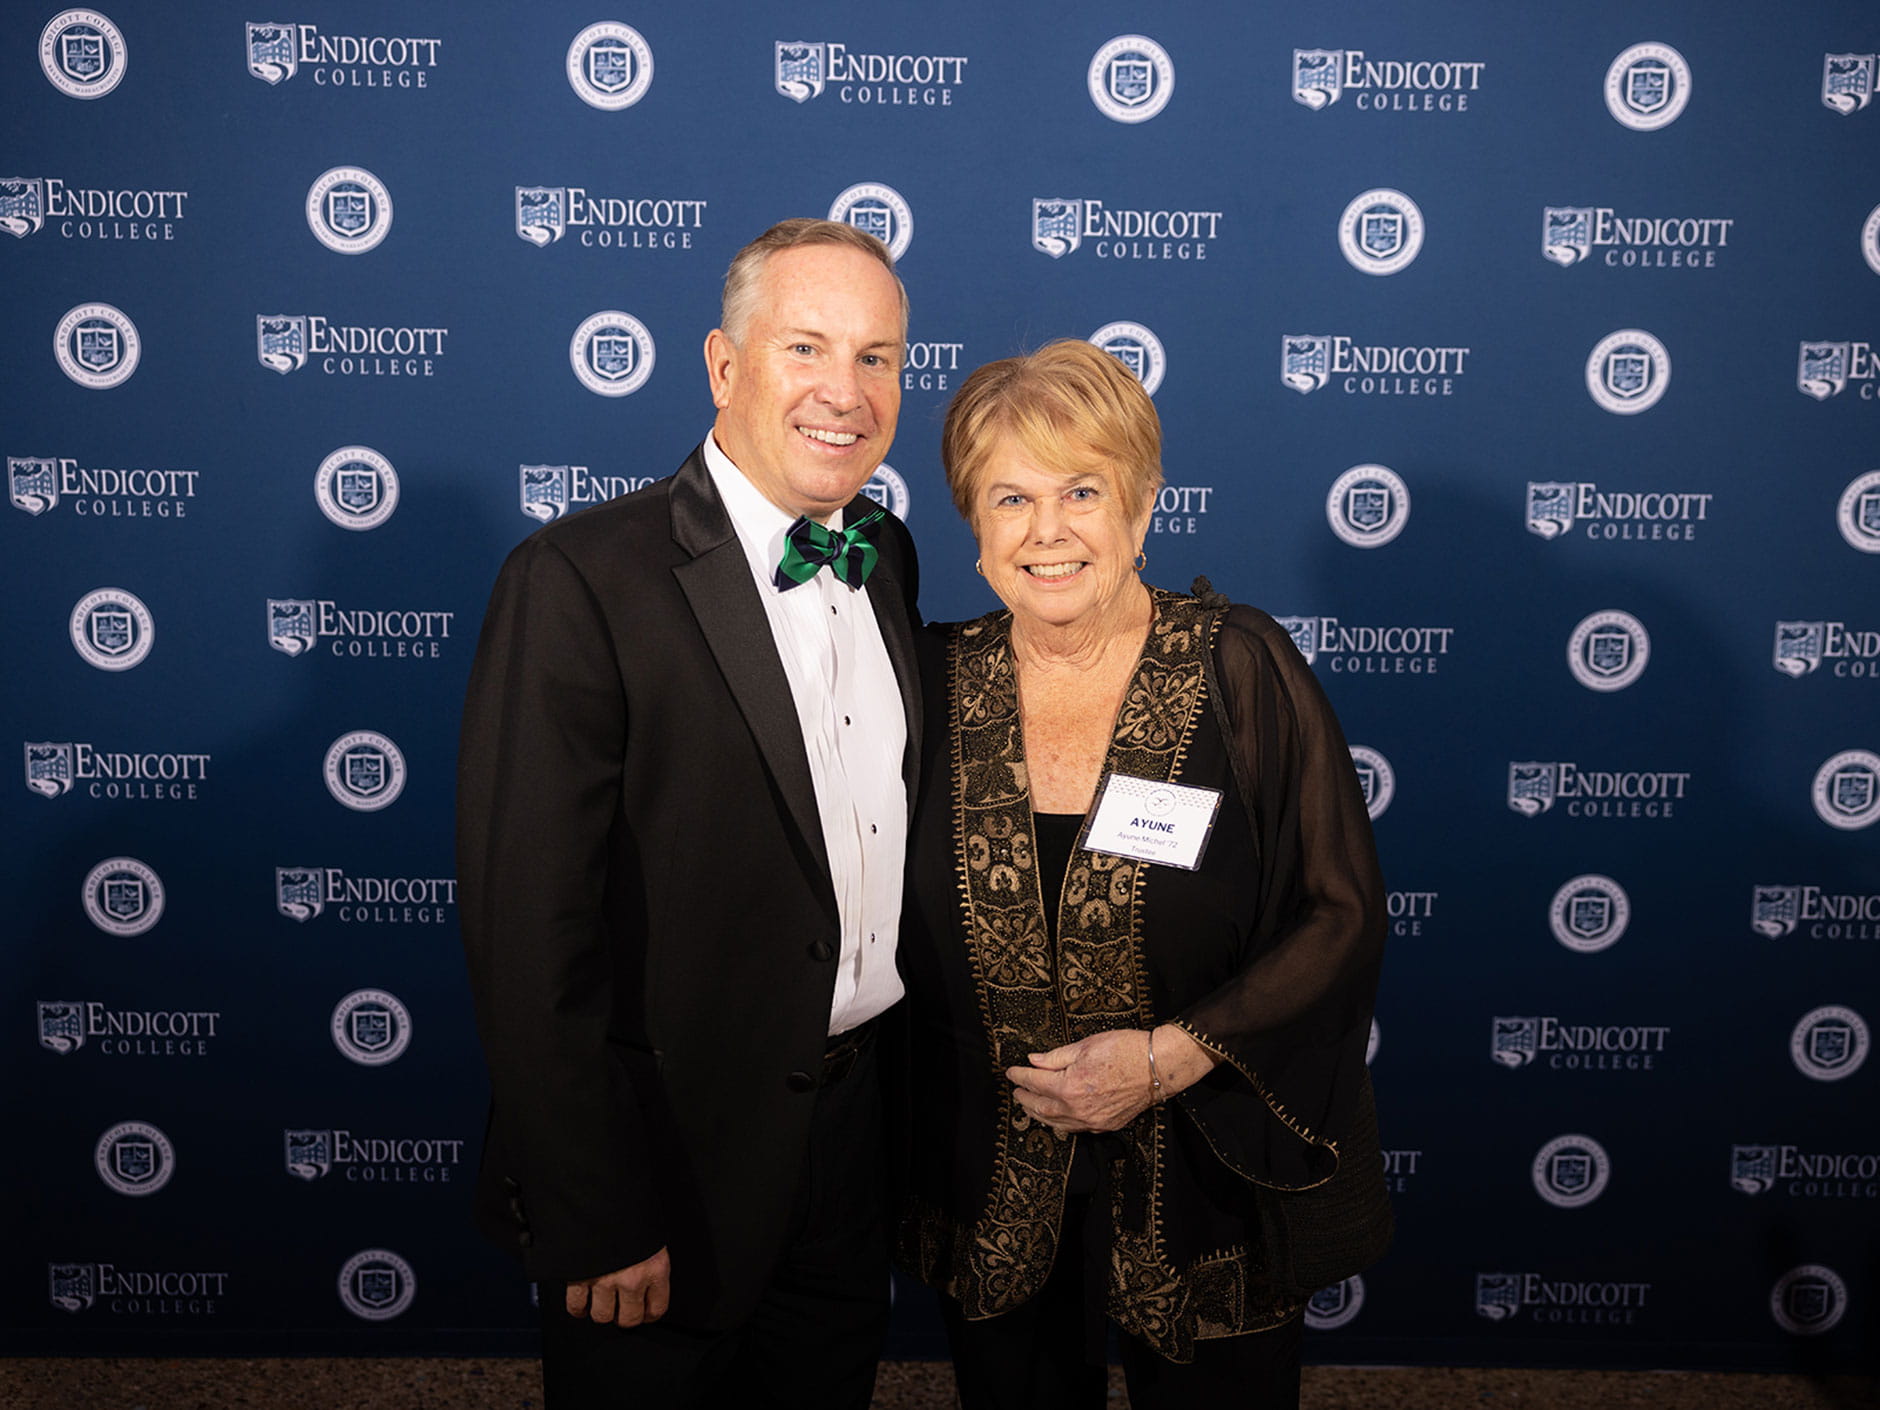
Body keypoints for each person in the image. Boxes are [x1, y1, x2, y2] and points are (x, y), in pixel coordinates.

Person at [457, 219, 921, 1409]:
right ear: (723, 366)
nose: (844, 391)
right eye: (806, 347)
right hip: (663, 1159)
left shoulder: (890, 555)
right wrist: (594, 1209)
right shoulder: (576, 580)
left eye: (876, 358)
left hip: (850, 1145)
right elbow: (527, 935)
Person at [894, 339, 1390, 1409]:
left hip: (1207, 1168)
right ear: (970, 522)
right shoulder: (926, 682)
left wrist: (1169, 1056)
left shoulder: (1238, 667)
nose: (1048, 532)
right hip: (992, 1172)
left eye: (1082, 490)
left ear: (1143, 500)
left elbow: (1338, 912)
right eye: (1008, 497)